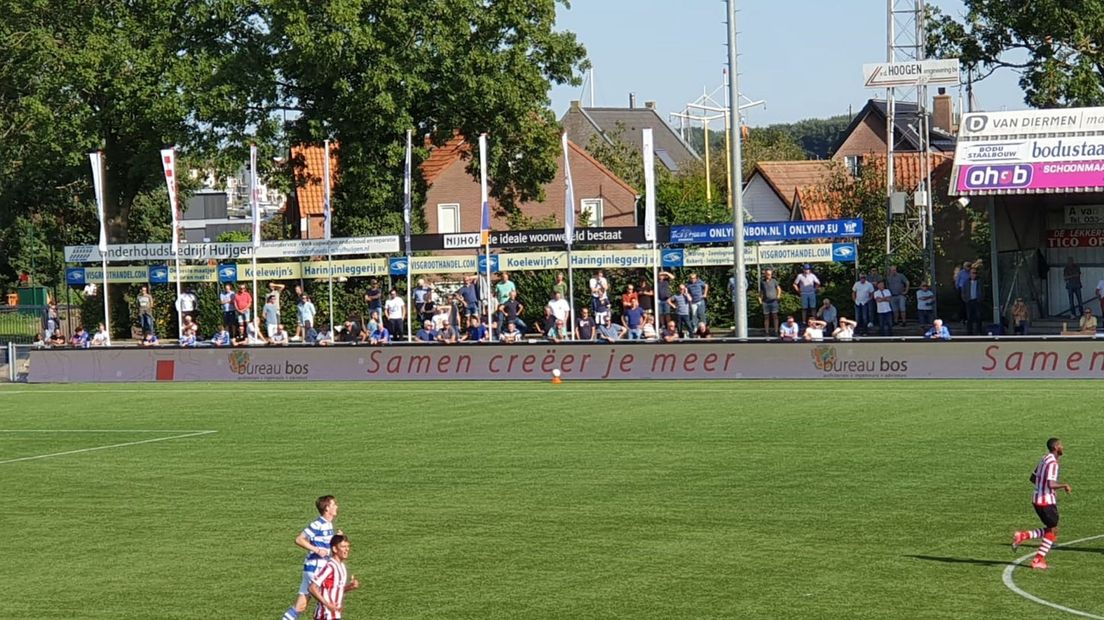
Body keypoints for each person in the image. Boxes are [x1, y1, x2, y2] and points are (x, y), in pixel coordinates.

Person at [1012, 438, 1072, 571]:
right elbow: (1050, 483)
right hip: (1045, 501)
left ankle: (1024, 538)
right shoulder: (1053, 464)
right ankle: (1037, 557)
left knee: (1051, 528)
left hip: (1036, 498)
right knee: (1053, 530)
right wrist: (1064, 485)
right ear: (1056, 447)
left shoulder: (1044, 459)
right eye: (1061, 445)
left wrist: (1044, 488)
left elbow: (1033, 478)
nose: (1063, 447)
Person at [282, 495, 340, 620]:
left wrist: (337, 539)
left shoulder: (328, 525)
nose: (337, 506)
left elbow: (326, 544)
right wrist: (317, 550)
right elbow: (299, 539)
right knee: (326, 603)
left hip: (312, 568)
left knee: (300, 606)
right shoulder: (317, 524)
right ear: (327, 508)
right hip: (316, 569)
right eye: (333, 504)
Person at [308, 533, 360, 620]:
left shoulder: (342, 566)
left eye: (348, 546)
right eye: (343, 547)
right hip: (325, 615)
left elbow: (336, 589)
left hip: (335, 614)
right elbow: (312, 588)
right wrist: (327, 604)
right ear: (335, 549)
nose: (347, 549)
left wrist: (350, 587)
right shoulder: (330, 567)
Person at [759, 269, 782, 337]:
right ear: (765, 274)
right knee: (766, 317)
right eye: (767, 274)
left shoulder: (774, 281)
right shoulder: (762, 282)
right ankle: (766, 331)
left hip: (774, 301)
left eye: (770, 274)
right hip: (765, 302)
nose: (768, 275)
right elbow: (761, 291)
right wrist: (760, 299)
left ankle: (776, 331)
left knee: (775, 316)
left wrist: (778, 296)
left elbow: (779, 289)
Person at [961, 267, 984, 335]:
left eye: (975, 273)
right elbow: (963, 291)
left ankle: (979, 331)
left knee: (978, 316)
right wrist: (965, 299)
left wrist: (981, 298)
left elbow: (982, 291)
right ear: (970, 274)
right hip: (969, 301)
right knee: (969, 317)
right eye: (973, 273)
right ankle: (969, 332)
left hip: (977, 301)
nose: (974, 274)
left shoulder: (979, 282)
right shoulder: (966, 282)